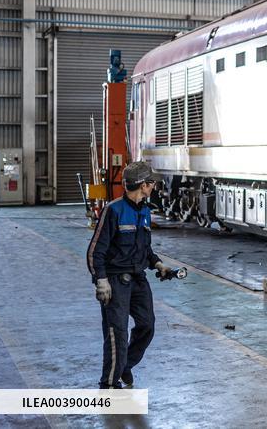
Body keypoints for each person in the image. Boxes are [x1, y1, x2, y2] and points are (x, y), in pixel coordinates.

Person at [86, 160, 176, 389]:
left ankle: (125, 365)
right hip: (115, 281)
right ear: (143, 185)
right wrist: (101, 281)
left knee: (147, 325)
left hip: (138, 279)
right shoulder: (113, 210)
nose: (154, 186)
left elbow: (145, 248)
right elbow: (95, 251)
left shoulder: (144, 211)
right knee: (117, 333)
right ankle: (109, 383)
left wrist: (158, 265)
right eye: (151, 182)